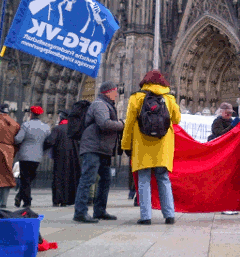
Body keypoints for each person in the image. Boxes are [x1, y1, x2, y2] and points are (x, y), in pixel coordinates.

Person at [121, 70, 181, 225]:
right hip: (162, 146)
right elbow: (177, 119)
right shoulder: (168, 98)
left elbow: (128, 124)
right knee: (164, 179)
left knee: (143, 180)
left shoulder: (136, 97)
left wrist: (126, 145)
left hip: (143, 145)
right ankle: (169, 215)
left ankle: (146, 216)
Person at [73, 81, 124, 223]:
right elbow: (104, 123)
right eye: (115, 92)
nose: (117, 95)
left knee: (105, 179)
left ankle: (100, 210)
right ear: (108, 92)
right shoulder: (99, 104)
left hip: (102, 149)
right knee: (88, 179)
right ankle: (80, 212)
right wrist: (122, 125)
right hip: (93, 148)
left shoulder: (106, 104)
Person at [14, 105, 50, 208]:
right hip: (37, 156)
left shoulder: (26, 125)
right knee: (29, 178)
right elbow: (49, 141)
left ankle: (26, 201)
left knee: (25, 178)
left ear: (31, 114)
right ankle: (21, 196)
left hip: (25, 156)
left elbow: (18, 139)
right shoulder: (46, 127)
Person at [44, 109, 81, 207]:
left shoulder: (58, 129)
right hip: (73, 158)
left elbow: (50, 141)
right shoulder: (74, 129)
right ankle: (67, 200)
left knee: (59, 178)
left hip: (60, 158)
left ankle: (57, 200)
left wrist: (43, 146)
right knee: (70, 178)